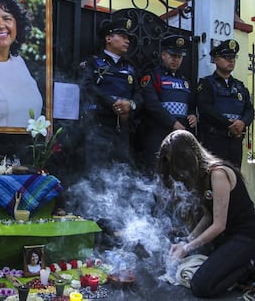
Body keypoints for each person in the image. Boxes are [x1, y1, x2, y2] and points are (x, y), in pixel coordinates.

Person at [157, 130, 255, 298]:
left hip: (246, 235)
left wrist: (187, 248)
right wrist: (186, 242)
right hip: (228, 237)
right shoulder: (201, 177)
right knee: (199, 270)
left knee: (201, 286)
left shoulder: (218, 173)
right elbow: (209, 216)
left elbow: (219, 225)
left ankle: (249, 266)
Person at [78, 18, 143, 169]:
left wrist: (130, 105)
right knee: (97, 172)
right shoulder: (93, 63)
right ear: (108, 38)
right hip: (98, 126)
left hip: (123, 128)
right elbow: (87, 87)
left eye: (128, 38)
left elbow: (139, 94)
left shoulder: (131, 67)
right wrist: (113, 104)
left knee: (122, 173)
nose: (127, 41)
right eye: (123, 36)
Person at [140, 34, 197, 171]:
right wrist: (172, 123)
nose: (175, 60)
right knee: (156, 175)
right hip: (158, 135)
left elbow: (191, 104)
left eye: (179, 57)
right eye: (172, 55)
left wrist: (192, 115)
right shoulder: (153, 76)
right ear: (163, 55)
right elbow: (152, 105)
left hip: (181, 136)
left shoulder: (185, 81)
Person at [196, 39, 254, 169]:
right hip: (215, 140)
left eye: (233, 57)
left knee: (235, 180)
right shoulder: (206, 84)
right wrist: (229, 125)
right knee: (214, 178)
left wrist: (243, 123)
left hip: (235, 141)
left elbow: (249, 110)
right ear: (216, 60)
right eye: (227, 57)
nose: (231, 60)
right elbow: (205, 109)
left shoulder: (240, 86)